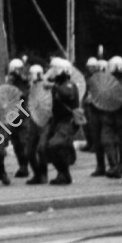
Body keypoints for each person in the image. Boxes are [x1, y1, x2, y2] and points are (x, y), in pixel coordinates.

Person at [43, 56, 79, 185]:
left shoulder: (69, 84)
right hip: (56, 121)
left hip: (67, 121)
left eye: (53, 69)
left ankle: (65, 173)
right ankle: (61, 173)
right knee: (46, 148)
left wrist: (52, 86)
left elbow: (67, 94)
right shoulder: (57, 85)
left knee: (56, 144)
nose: (51, 71)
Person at [22, 64, 49, 184]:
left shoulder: (46, 87)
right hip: (32, 122)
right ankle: (37, 174)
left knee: (41, 149)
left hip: (43, 121)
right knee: (29, 151)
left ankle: (43, 174)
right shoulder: (30, 89)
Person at [83, 57, 107, 176]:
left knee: (110, 141)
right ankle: (100, 166)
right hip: (95, 113)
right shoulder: (93, 80)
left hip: (105, 114)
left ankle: (115, 165)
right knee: (97, 141)